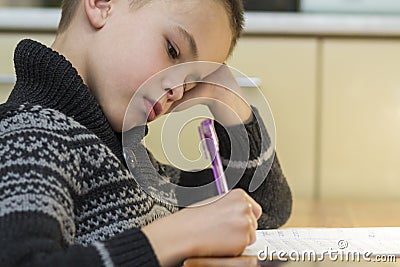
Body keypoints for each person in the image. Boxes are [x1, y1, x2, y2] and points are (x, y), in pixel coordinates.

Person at [0, 0, 292, 266]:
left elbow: (263, 210)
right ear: (102, 5)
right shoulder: (30, 137)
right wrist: (173, 237)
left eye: (193, 80)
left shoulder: (127, 159)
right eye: (173, 51)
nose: (179, 91)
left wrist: (229, 102)